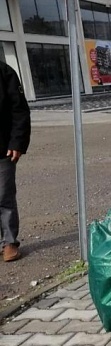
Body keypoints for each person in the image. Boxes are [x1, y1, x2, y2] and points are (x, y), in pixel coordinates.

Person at [0, 61, 31, 262]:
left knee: (4, 196)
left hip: (3, 148)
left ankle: (9, 242)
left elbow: (20, 111)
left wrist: (17, 142)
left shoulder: (4, 73)